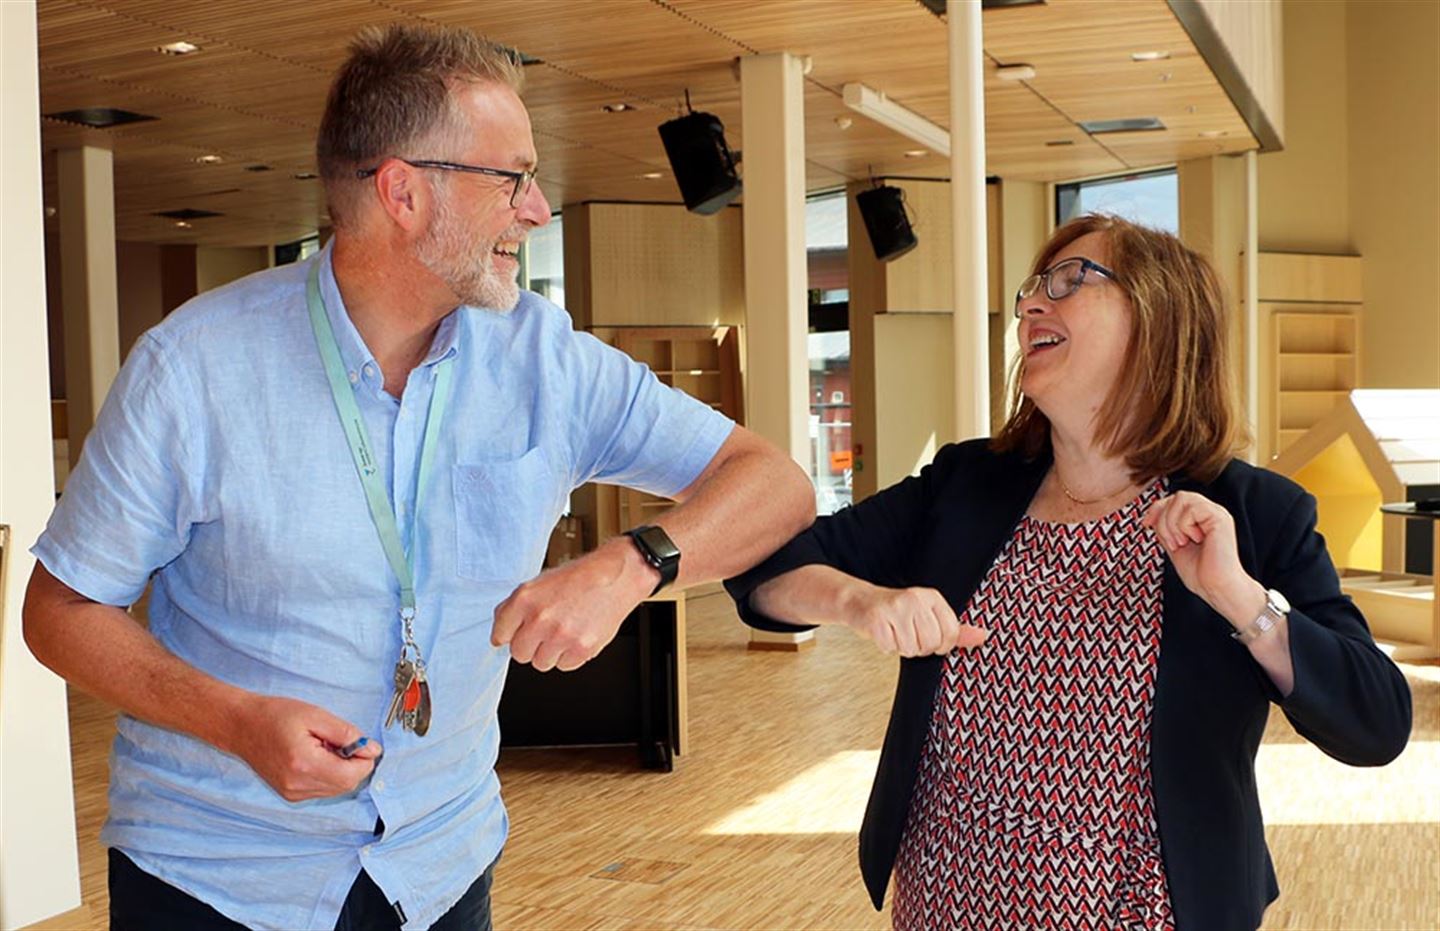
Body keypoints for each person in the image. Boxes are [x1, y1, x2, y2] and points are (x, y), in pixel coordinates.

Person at [23, 24, 813, 931]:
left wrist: (632, 564)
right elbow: (60, 610)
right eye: (512, 177)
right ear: (402, 191)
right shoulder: (193, 369)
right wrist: (236, 719)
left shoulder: (545, 362)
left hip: (440, 866)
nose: (539, 209)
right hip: (218, 874)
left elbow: (774, 483)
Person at [726, 215, 1411, 930]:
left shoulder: (1255, 511)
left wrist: (1243, 601)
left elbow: (1378, 724)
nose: (1030, 305)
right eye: (1032, 288)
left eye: (1071, 280)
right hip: (947, 904)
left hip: (1150, 911)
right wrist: (857, 601)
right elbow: (765, 569)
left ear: (1160, 318)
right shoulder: (966, 485)